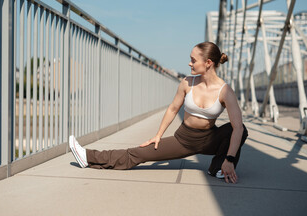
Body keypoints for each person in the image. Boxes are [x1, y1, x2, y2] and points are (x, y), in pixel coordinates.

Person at [69, 42, 248, 184]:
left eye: (193, 60)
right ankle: (88, 157)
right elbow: (172, 108)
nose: (189, 63)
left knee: (240, 129)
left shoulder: (225, 91)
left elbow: (238, 128)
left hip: (209, 139)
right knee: (137, 153)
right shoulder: (187, 82)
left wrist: (230, 159)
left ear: (208, 63)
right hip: (184, 140)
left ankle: (218, 168)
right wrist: (158, 135)